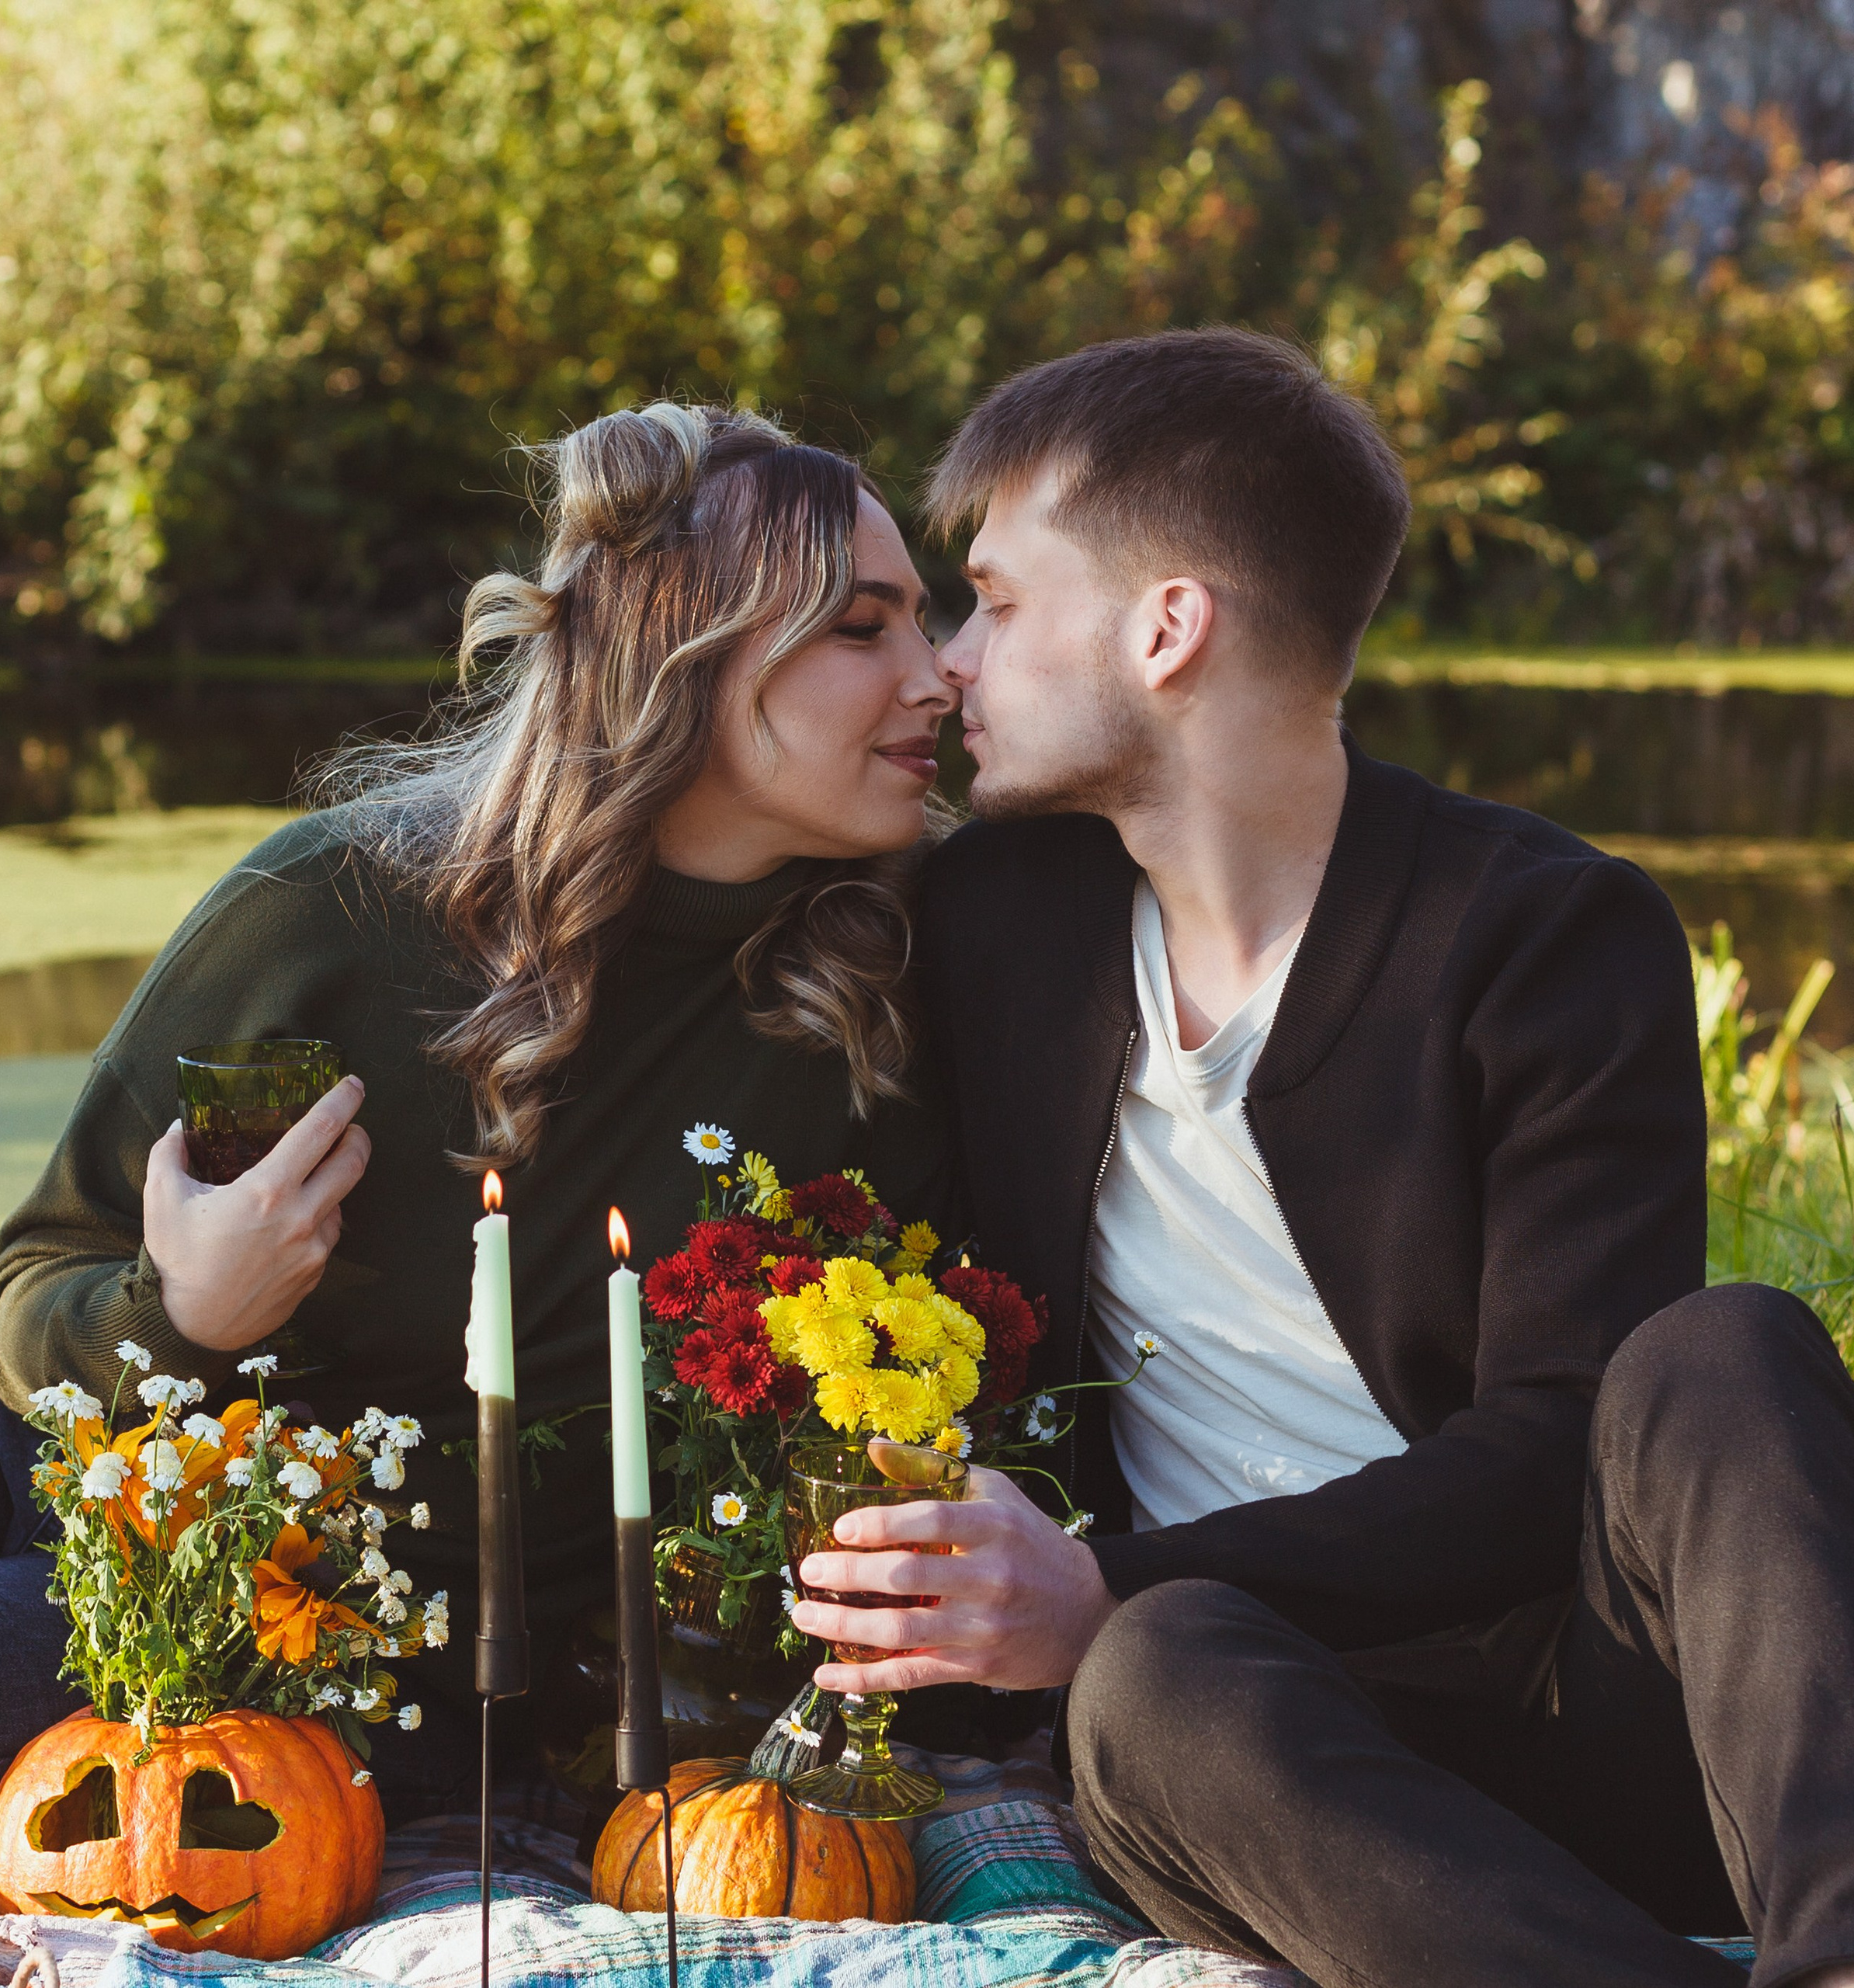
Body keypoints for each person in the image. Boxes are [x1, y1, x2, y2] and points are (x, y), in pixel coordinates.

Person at [787, 328, 1854, 1988]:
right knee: (1144, 1678)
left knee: (1721, 1349)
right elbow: (667, 884)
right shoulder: (993, 925)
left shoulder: (1541, 933)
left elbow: (1560, 1442)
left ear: (1164, 627)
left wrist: (1098, 1578)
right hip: (1274, 1760)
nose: (948, 665)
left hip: (1620, 1711)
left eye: (995, 601)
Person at [0, 401, 957, 1826]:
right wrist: (183, 1310)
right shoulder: (335, 905)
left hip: (269, 1629)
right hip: (35, 1423)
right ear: (680, 650)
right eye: (865, 630)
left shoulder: (898, 983)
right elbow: (32, 1286)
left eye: (931, 622)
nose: (940, 680)